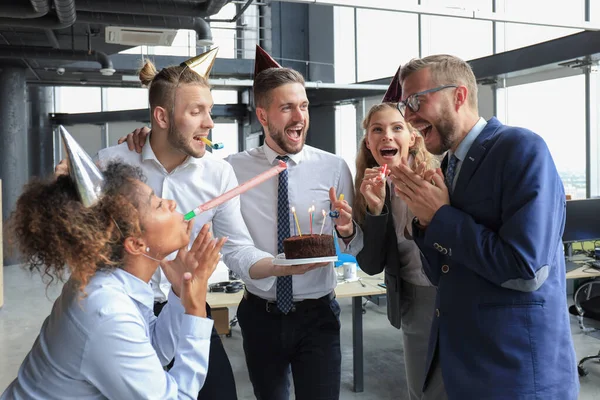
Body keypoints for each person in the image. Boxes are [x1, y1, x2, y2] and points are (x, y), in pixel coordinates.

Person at [121, 45, 358, 400]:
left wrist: (339, 235)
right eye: (287, 107)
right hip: (246, 313)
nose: (210, 122)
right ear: (263, 116)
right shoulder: (227, 168)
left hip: (307, 311)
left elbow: (239, 247)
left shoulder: (329, 167)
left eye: (304, 105)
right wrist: (139, 140)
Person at [391, 54, 579, 399]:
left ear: (459, 96)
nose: (408, 115)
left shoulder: (521, 148)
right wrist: (424, 220)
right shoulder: (448, 166)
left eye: (417, 100)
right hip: (459, 365)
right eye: (404, 104)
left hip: (514, 372)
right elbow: (442, 274)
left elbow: (526, 269)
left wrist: (441, 217)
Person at [98, 48, 275, 400]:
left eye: (209, 110)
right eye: (196, 111)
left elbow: (236, 246)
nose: (210, 122)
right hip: (124, 314)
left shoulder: (218, 172)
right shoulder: (111, 164)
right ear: (161, 117)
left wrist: (282, 267)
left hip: (188, 303)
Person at [1, 137, 226, 399]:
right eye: (157, 203)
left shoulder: (113, 282)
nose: (171, 203)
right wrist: (196, 309)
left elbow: (152, 348)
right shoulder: (106, 311)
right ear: (136, 243)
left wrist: (179, 295)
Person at [346, 91, 443, 399]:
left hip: (454, 293)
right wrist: (375, 211)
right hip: (413, 298)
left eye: (396, 128)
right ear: (368, 142)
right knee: (422, 391)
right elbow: (372, 265)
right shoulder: (370, 187)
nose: (387, 135)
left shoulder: (438, 176)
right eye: (377, 129)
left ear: (413, 137)